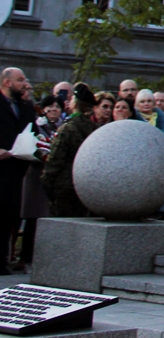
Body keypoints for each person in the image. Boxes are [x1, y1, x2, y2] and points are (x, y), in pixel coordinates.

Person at [42, 85, 100, 217]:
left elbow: (54, 161)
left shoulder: (67, 129)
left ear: (76, 103)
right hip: (85, 187)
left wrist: (46, 182)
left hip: (63, 187)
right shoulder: (96, 130)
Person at [0, 68, 37, 274]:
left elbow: (33, 133)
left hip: (19, 171)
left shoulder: (26, 107)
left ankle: (4, 259)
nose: (25, 83)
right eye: (20, 80)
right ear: (7, 82)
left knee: (11, 217)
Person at [17, 94, 59, 268]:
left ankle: (40, 256)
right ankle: (25, 256)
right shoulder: (37, 125)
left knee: (45, 218)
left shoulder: (62, 127)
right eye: (51, 106)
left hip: (51, 177)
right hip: (35, 176)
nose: (54, 109)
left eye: (58, 106)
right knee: (32, 218)